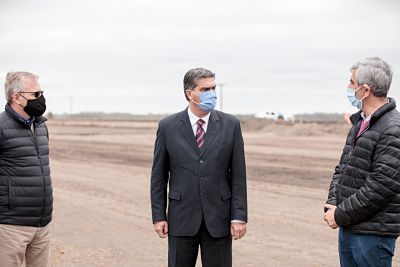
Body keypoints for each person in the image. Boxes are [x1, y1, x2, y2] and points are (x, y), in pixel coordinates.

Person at [150, 67, 247, 267]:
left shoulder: (230, 125)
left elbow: (238, 175)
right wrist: (159, 216)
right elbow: (159, 176)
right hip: (181, 218)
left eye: (213, 88)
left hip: (219, 219)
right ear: (189, 93)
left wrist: (239, 217)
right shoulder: (168, 126)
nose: (211, 94)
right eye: (205, 89)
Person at [324, 57, 400, 266]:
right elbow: (344, 168)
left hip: (373, 233)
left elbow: (382, 185)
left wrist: (340, 214)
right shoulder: (360, 122)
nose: (348, 87)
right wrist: (333, 201)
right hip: (351, 224)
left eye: (352, 82)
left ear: (365, 90)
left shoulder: (393, 128)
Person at [0, 72, 53, 267]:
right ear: (17, 97)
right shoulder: (1, 127)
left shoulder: (40, 126)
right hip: (10, 226)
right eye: (36, 94)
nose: (41, 98)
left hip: (42, 223)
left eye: (42, 92)